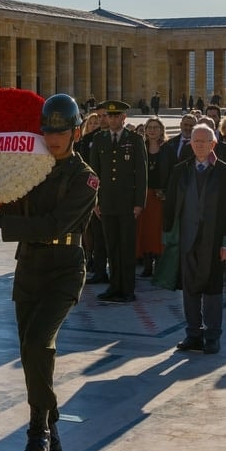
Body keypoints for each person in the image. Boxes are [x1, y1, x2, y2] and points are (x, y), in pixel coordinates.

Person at [0, 94, 97, 451]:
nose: (53, 137)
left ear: (76, 131)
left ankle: (38, 431)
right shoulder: (30, 171)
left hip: (64, 267)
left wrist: (1, 222)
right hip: (29, 265)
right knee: (30, 354)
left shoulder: (86, 179)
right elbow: (9, 201)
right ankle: (51, 432)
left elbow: (54, 225)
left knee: (37, 344)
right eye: (48, 130)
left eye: (61, 130)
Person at [163, 126, 226, 354]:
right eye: (195, 141)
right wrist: (169, 237)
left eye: (204, 141)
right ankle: (193, 334)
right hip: (187, 238)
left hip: (214, 240)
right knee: (189, 289)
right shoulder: (180, 170)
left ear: (213, 144)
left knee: (213, 290)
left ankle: (213, 335)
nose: (199, 145)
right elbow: (170, 207)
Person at [89, 100, 147, 303]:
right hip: (106, 202)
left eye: (116, 116)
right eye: (109, 116)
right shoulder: (99, 139)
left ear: (124, 118)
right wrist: (94, 201)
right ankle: (114, 287)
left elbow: (141, 173)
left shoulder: (135, 139)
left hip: (128, 203)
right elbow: (94, 174)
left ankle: (127, 289)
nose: (112, 120)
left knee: (126, 247)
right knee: (111, 245)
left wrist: (139, 202)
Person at [76, 109, 109, 283]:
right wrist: (94, 198)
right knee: (97, 235)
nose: (103, 120)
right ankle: (99, 270)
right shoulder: (90, 139)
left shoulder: (125, 139)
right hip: (95, 196)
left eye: (106, 116)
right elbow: (87, 171)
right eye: (101, 116)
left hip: (116, 196)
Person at [137, 116, 167, 277]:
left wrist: (166, 191)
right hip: (144, 195)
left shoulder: (167, 149)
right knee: (145, 230)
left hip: (160, 197)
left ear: (161, 130)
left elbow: (173, 172)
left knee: (158, 231)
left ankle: (160, 264)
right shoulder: (140, 147)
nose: (152, 130)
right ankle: (147, 265)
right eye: (149, 127)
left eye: (156, 127)